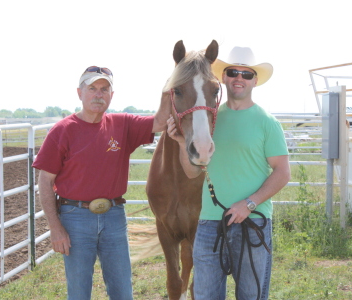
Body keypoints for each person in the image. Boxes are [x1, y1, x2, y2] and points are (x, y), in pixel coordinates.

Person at [32, 66, 169, 300]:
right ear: (79, 93)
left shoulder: (122, 124)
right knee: (78, 291)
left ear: (112, 95)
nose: (98, 94)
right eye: (92, 88)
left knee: (122, 290)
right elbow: (45, 181)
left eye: (104, 89)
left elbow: (160, 122)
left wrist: (169, 89)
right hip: (75, 217)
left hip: (114, 216)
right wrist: (55, 227)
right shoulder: (62, 131)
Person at [167, 46, 291, 299]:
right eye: (233, 72)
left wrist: (249, 204)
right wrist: (182, 144)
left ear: (255, 80)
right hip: (210, 223)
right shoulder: (208, 120)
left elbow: (282, 173)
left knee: (251, 296)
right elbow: (192, 173)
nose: (239, 78)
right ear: (222, 77)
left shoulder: (267, 123)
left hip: (253, 221)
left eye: (247, 74)